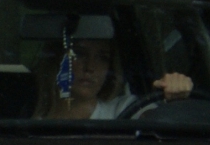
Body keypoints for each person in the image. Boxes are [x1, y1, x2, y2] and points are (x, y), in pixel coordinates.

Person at [31, 34, 192, 120]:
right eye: (79, 54)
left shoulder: (124, 111)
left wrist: (174, 99)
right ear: (57, 59)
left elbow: (160, 125)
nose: (90, 67)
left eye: (102, 58)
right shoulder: (27, 127)